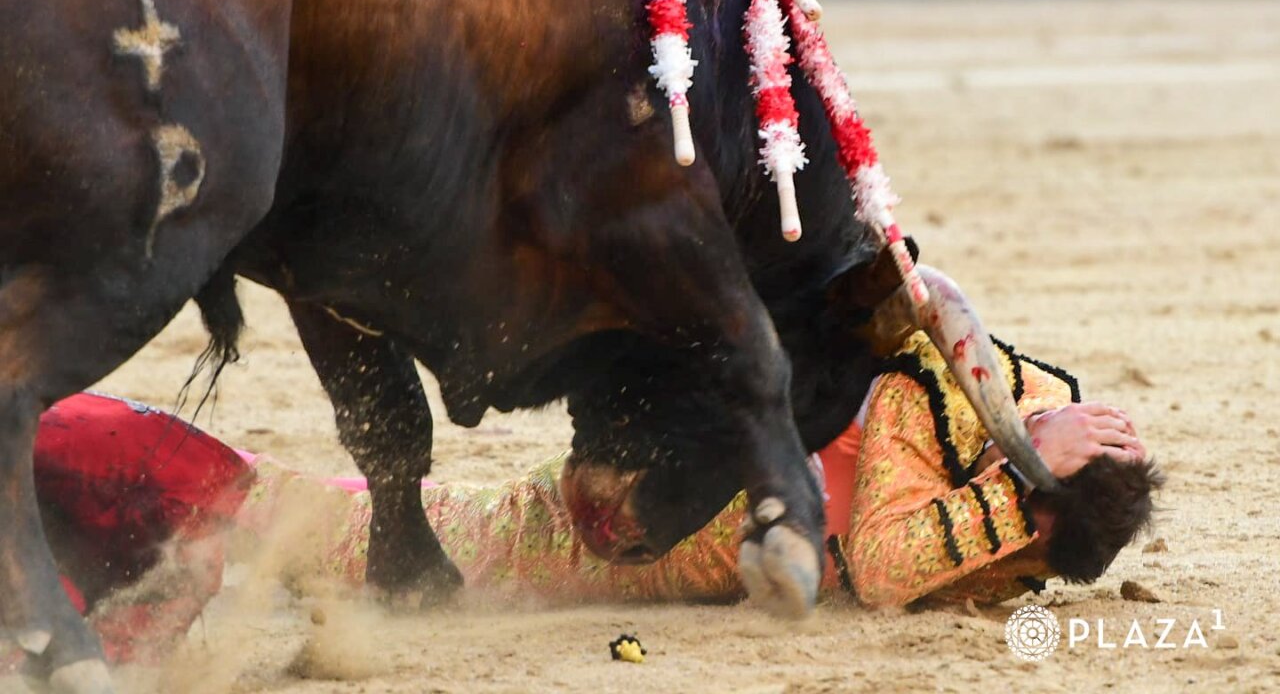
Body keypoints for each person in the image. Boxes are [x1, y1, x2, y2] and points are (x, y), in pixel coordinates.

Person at [16, 333, 1160, 666]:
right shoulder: (944, 411)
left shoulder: (939, 512)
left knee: (264, 511)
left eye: (1013, 562)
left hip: (514, 547)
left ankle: (103, 544)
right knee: (268, 510)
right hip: (570, 498)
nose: (996, 568)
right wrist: (1029, 440)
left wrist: (1024, 485)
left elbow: (905, 566)